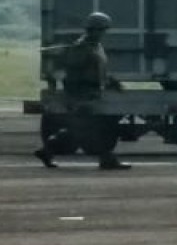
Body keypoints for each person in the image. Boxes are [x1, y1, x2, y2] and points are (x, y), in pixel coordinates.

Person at [34, 11, 130, 170]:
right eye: (101, 30)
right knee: (93, 129)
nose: (102, 33)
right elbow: (72, 74)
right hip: (82, 95)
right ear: (93, 29)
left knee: (81, 131)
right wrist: (76, 97)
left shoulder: (95, 47)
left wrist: (113, 82)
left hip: (92, 94)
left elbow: (100, 71)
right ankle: (107, 159)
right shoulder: (81, 49)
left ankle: (47, 151)